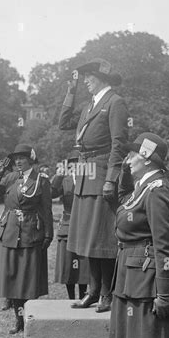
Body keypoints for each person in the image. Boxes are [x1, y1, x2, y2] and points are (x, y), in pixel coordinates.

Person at [59, 58, 129, 313]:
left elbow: (119, 144)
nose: (85, 80)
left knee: (103, 239)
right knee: (89, 238)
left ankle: (108, 294)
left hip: (101, 174)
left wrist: (111, 178)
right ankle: (93, 290)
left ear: (101, 78)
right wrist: (71, 91)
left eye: (88, 76)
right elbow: (63, 122)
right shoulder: (91, 104)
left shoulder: (115, 102)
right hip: (85, 174)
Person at [108, 133, 169, 338]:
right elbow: (123, 201)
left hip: (145, 282)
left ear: (147, 157)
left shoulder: (157, 190)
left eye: (131, 155)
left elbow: (165, 245)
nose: (127, 160)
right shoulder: (142, 187)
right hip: (131, 275)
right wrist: (123, 171)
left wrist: (165, 293)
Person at [0, 144, 53, 334]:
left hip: (30, 231)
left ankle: (29, 320)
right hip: (10, 230)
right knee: (12, 278)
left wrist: (48, 233)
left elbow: (46, 209)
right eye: (16, 159)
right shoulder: (10, 177)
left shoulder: (41, 180)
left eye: (22, 158)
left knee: (27, 279)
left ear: (30, 159)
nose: (18, 161)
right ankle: (18, 320)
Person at [51, 151, 89, 300]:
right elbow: (51, 193)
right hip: (67, 225)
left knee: (83, 266)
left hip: (85, 225)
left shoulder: (89, 180)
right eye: (72, 163)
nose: (75, 165)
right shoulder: (64, 180)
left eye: (78, 162)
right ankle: (71, 297)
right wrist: (58, 176)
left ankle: (83, 296)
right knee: (68, 264)